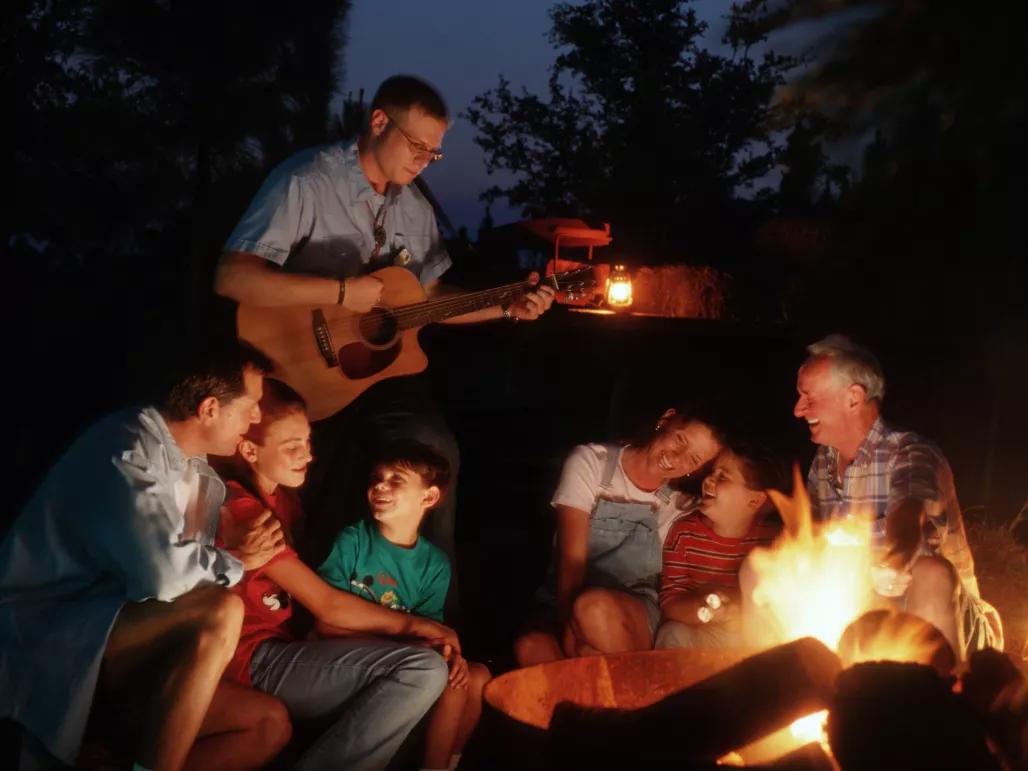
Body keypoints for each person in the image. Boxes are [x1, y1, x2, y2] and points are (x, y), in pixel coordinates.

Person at [214, 74, 555, 590]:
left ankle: (427, 610)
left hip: (374, 374)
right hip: (294, 370)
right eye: (417, 145)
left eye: (434, 153)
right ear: (378, 122)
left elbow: (429, 302)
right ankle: (291, 616)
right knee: (306, 480)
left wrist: (505, 307)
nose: (423, 160)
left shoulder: (414, 207)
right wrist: (339, 293)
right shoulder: (307, 180)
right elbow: (232, 276)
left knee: (434, 454)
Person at [0, 341, 291, 771]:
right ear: (210, 408)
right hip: (47, 636)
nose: (256, 417)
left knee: (268, 725)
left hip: (114, 646)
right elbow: (164, 578)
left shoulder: (198, 474)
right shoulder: (124, 449)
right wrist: (236, 560)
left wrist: (233, 546)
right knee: (220, 608)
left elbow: (181, 582)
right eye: (250, 405)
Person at [215, 380, 460, 770]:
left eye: (308, 442)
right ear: (249, 450)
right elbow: (326, 606)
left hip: (284, 650)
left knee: (441, 672)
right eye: (291, 446)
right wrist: (419, 628)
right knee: (421, 668)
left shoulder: (285, 498)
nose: (307, 456)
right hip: (251, 658)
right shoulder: (242, 508)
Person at [766, 333, 1001, 656]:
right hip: (867, 614)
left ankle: (942, 698)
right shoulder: (823, 463)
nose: (798, 410)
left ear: (853, 398)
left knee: (930, 574)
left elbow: (909, 510)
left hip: (948, 619)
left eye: (808, 396)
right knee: (762, 572)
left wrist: (895, 560)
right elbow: (811, 542)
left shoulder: (910, 451)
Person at [317, 439, 490, 771]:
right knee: (442, 669)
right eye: (376, 477)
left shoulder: (434, 564)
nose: (380, 485)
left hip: (406, 661)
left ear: (429, 497)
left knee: (475, 676)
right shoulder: (352, 540)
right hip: (347, 655)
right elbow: (324, 624)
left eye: (396, 479)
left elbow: (433, 635)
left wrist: (449, 655)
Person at [513, 406, 725, 667]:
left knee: (594, 608)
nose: (677, 457)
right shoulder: (592, 462)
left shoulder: (680, 503)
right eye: (680, 439)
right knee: (531, 647)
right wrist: (570, 630)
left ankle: (638, 701)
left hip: (632, 608)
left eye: (693, 460)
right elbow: (572, 560)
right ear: (666, 420)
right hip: (564, 593)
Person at [655, 442, 784, 649]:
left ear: (754, 501)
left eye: (722, 477)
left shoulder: (773, 540)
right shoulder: (684, 534)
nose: (708, 480)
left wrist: (737, 613)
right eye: (712, 472)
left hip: (751, 638)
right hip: (704, 634)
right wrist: (706, 610)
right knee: (672, 633)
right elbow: (671, 601)